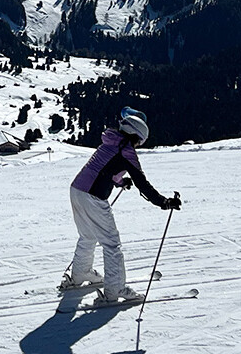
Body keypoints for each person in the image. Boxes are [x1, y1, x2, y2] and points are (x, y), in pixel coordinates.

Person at [59, 107, 181, 304]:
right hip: (93, 197)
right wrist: (163, 202)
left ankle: (80, 275)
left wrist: (119, 182)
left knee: (87, 236)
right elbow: (142, 182)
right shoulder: (126, 151)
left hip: (77, 190)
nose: (138, 146)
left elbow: (103, 169)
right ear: (136, 135)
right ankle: (115, 290)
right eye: (138, 142)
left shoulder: (110, 141)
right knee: (112, 244)